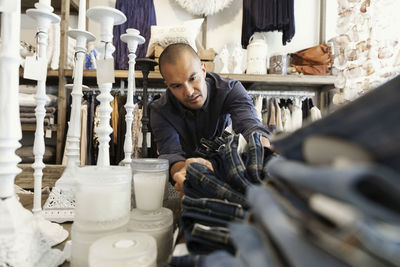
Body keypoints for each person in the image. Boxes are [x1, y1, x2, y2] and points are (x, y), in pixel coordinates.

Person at [149, 43, 270, 195]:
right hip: (187, 172)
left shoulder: (231, 90)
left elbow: (250, 127)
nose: (189, 91)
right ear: (168, 85)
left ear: (203, 70)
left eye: (193, 78)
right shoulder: (159, 110)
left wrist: (265, 154)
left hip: (224, 165)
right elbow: (170, 154)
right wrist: (186, 170)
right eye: (177, 86)